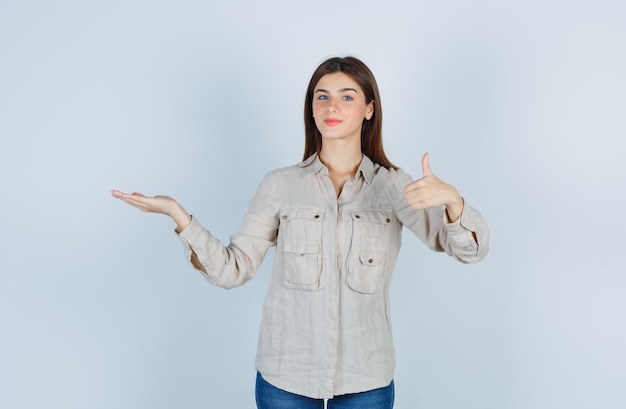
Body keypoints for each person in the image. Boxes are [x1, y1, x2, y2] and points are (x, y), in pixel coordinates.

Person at [112, 56, 489, 409]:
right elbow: (233, 269)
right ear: (311, 108)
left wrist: (453, 201)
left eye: (347, 96)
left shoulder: (393, 187)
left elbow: (471, 251)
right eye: (321, 97)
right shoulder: (280, 186)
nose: (331, 107)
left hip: (367, 378)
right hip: (285, 378)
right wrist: (178, 215)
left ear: (369, 109)